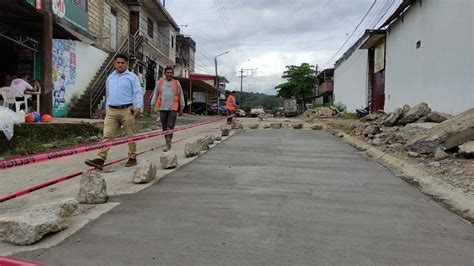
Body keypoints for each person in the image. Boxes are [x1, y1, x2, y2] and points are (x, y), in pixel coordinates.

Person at [85, 54, 143, 169]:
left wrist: (139, 106)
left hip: (127, 110)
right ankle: (100, 159)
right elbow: (108, 93)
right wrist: (107, 108)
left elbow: (138, 92)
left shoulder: (132, 77)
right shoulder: (110, 77)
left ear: (127, 64)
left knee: (130, 135)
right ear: (114, 64)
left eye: (122, 63)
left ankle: (132, 157)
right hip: (111, 111)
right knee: (107, 135)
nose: (120, 65)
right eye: (118, 62)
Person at [150, 66, 184, 152]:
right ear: (165, 73)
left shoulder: (177, 83)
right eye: (167, 73)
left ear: (173, 74)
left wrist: (182, 106)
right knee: (164, 126)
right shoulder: (160, 82)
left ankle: (168, 143)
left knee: (170, 125)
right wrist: (152, 104)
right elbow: (155, 94)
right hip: (162, 107)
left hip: (173, 108)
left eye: (171, 73)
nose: (169, 74)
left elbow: (181, 95)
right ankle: (167, 140)